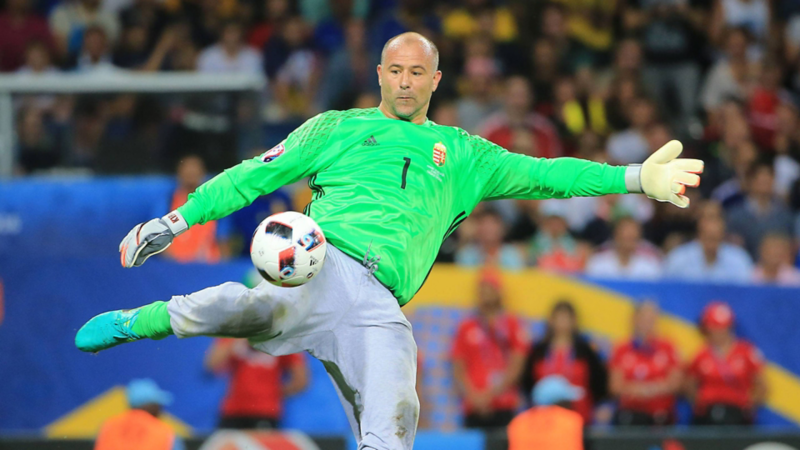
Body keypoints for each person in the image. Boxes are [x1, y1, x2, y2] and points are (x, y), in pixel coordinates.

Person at [75, 33, 703, 450]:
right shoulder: (336, 128)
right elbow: (252, 176)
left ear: (436, 79)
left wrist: (634, 177)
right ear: (379, 73)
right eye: (395, 71)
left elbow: (547, 175)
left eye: (417, 73)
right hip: (316, 265)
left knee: (395, 419)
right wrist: (177, 222)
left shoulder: (463, 154)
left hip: (381, 303)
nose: (405, 83)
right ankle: (143, 320)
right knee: (247, 307)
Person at [451, 269, 528, 429]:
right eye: (482, 288)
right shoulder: (466, 327)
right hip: (473, 407)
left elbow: (517, 366)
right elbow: (458, 369)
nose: (485, 292)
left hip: (504, 405)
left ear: (499, 292)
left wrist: (489, 397)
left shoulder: (512, 325)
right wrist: (474, 397)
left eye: (489, 287)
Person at [520, 301, 609, 424]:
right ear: (551, 321)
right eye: (558, 318)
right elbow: (527, 383)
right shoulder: (538, 351)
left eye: (566, 318)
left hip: (580, 417)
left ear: (574, 321)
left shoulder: (585, 350)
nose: (562, 322)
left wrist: (601, 406)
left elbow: (599, 382)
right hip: (543, 420)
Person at [686, 301, 768, 425]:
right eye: (712, 327)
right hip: (708, 413)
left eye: (720, 327)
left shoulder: (746, 352)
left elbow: (762, 385)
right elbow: (689, 383)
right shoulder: (702, 354)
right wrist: (700, 403)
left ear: (729, 328)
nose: (716, 331)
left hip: (738, 413)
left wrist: (748, 405)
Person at [205, 339, 308, 429]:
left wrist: (271, 395)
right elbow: (211, 364)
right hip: (233, 410)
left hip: (265, 412)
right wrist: (239, 339)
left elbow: (300, 380)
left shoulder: (282, 338)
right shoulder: (234, 333)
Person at [609, 301, 682, 425]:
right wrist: (644, 390)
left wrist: (648, 390)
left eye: (651, 318)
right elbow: (615, 387)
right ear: (634, 319)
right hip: (630, 414)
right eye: (643, 317)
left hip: (661, 415)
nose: (647, 323)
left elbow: (676, 384)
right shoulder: (622, 349)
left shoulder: (668, 347)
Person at [95, 379, 184, 450]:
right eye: (157, 404)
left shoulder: (108, 428)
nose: (160, 409)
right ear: (148, 405)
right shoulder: (165, 434)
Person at [507, 375, 584, 450]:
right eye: (568, 402)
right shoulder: (572, 420)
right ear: (561, 403)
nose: (571, 406)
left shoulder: (518, 422)